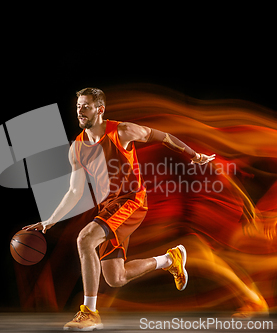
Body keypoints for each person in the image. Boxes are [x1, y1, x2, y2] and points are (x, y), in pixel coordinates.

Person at [23, 87, 215, 331]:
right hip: (110, 205)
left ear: (99, 110)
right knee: (116, 278)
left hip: (132, 199)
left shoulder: (121, 131)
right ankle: (169, 259)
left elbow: (163, 136)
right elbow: (74, 191)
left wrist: (193, 154)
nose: (80, 111)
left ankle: (89, 313)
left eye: (86, 106)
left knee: (85, 239)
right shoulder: (77, 148)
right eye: (78, 106)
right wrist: (50, 220)